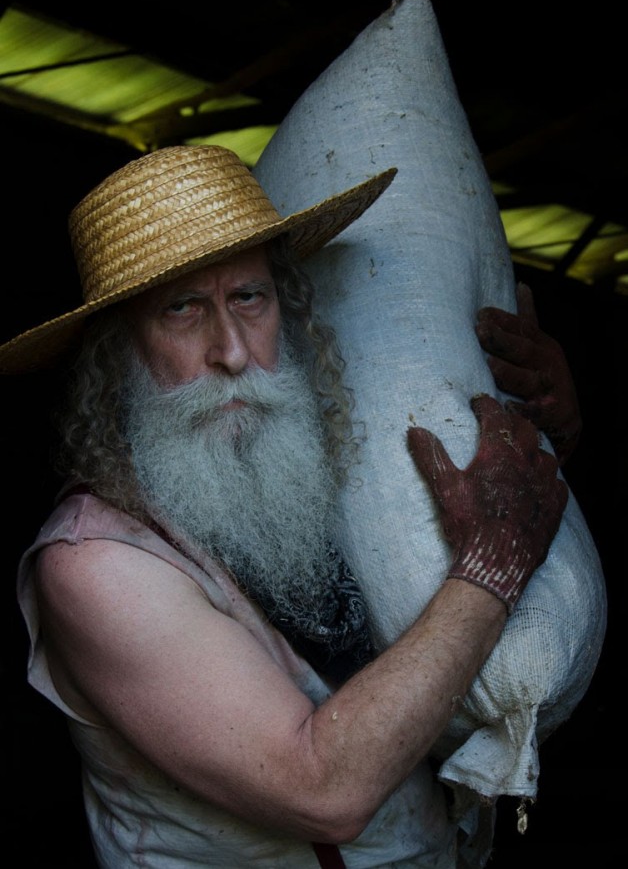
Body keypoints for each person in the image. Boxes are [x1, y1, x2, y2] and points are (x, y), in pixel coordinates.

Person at [0, 145, 577, 868]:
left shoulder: (312, 458)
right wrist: (493, 566)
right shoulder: (94, 564)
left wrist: (548, 428)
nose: (233, 353)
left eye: (250, 297)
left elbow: (463, 526)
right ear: (118, 354)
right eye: (181, 309)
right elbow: (322, 789)